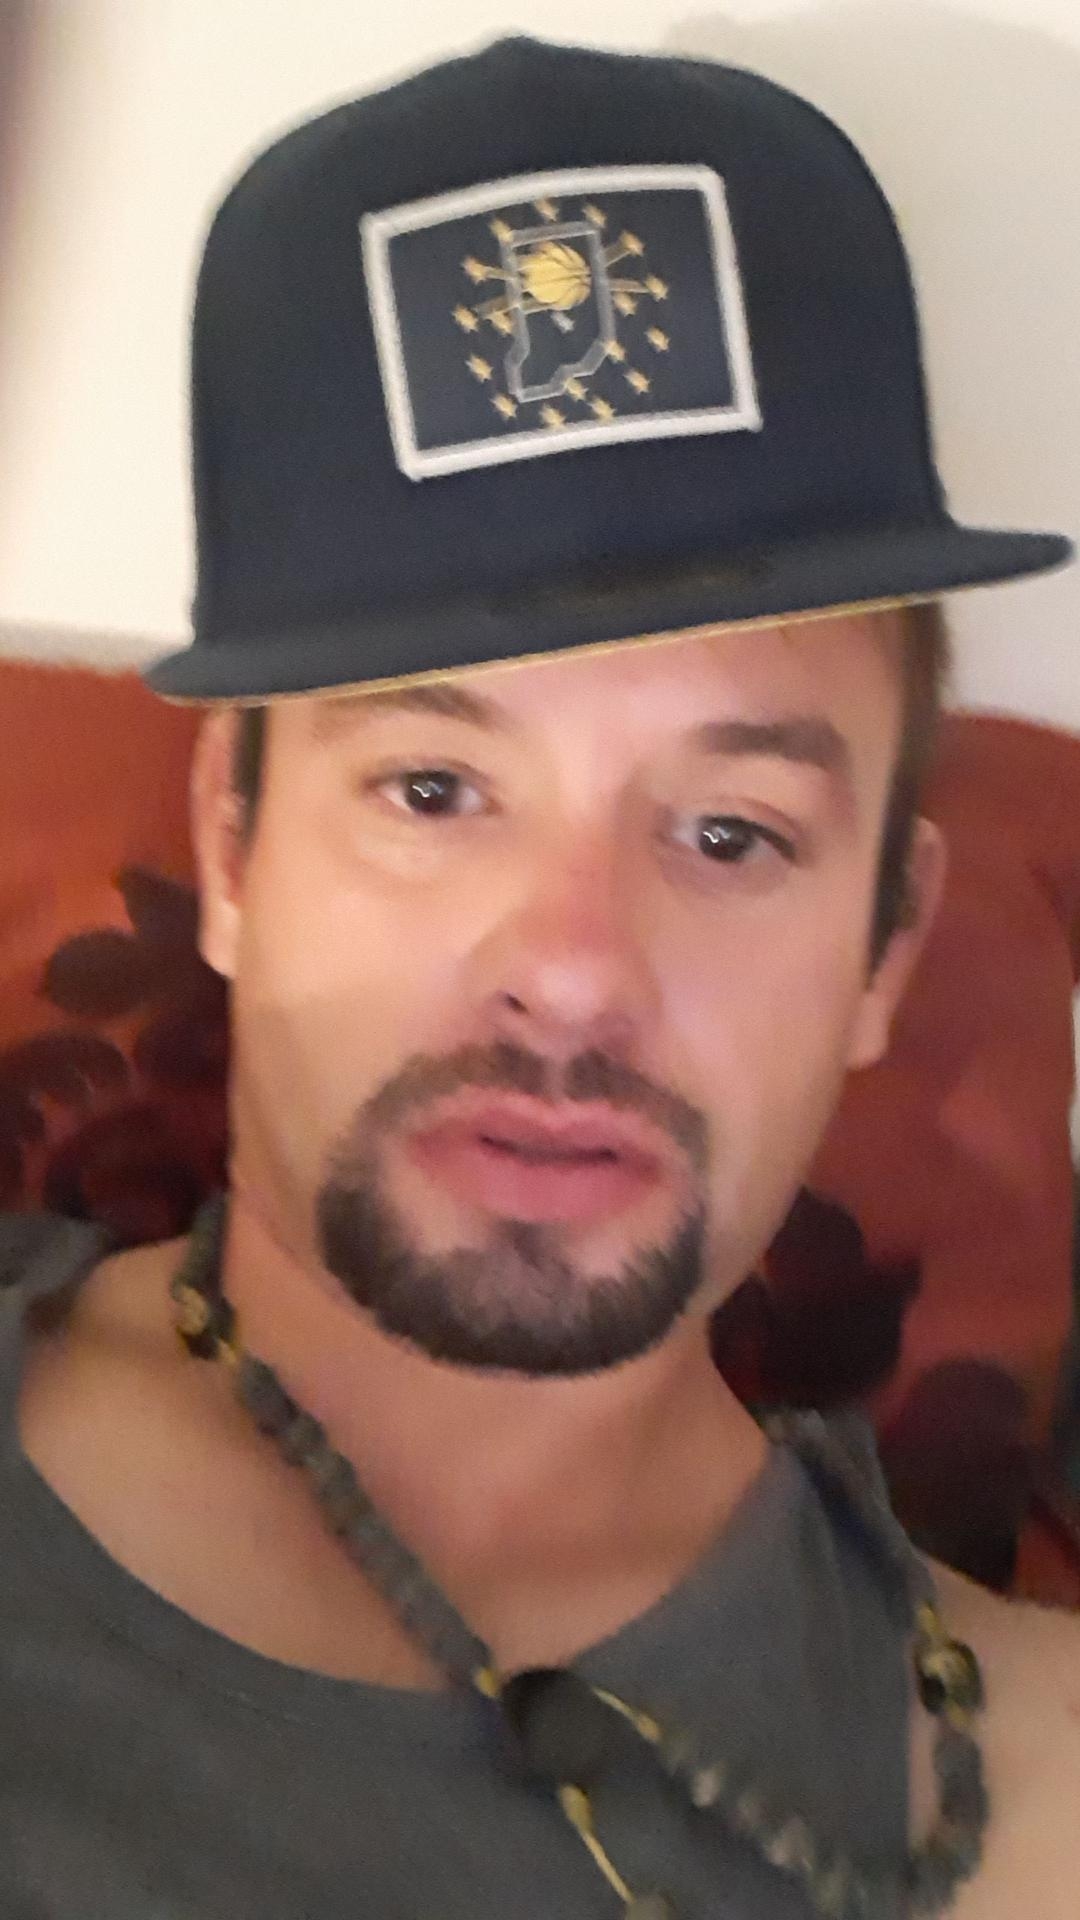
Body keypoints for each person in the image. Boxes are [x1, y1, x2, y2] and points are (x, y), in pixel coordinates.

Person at [1, 34, 1077, 1920]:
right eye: (434, 792)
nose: (573, 975)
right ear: (234, 847)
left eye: (730, 832)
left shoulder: (1027, 1798)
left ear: (886, 947)